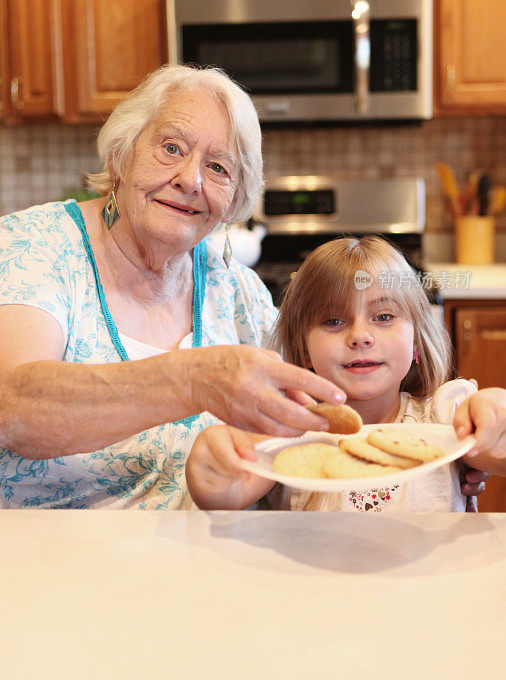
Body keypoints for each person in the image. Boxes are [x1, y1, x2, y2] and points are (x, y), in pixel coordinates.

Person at [0, 64, 345, 509]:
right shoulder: (35, 246)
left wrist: (452, 425)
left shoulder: (237, 291)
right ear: (120, 156)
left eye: (218, 167)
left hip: (206, 564)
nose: (190, 179)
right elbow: (15, 405)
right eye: (171, 147)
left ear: (233, 200)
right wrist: (196, 379)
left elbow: (328, 402)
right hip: (59, 566)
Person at [186, 236, 505, 512]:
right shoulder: (285, 435)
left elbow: (497, 451)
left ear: (416, 344)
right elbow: (224, 496)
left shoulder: (447, 418)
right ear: (303, 349)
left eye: (383, 316)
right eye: (333, 321)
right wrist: (212, 466)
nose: (360, 336)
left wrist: (495, 414)